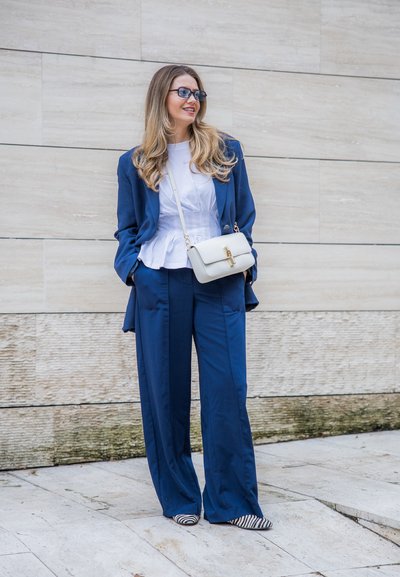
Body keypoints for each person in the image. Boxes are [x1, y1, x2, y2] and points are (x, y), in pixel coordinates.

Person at [113, 64, 272, 531]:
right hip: (158, 281)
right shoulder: (136, 161)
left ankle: (233, 501)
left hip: (219, 278)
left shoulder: (226, 151)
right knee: (165, 391)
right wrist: (134, 272)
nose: (192, 99)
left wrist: (247, 262)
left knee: (227, 390)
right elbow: (126, 229)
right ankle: (179, 495)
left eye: (198, 92)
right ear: (162, 96)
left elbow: (243, 214)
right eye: (183, 91)